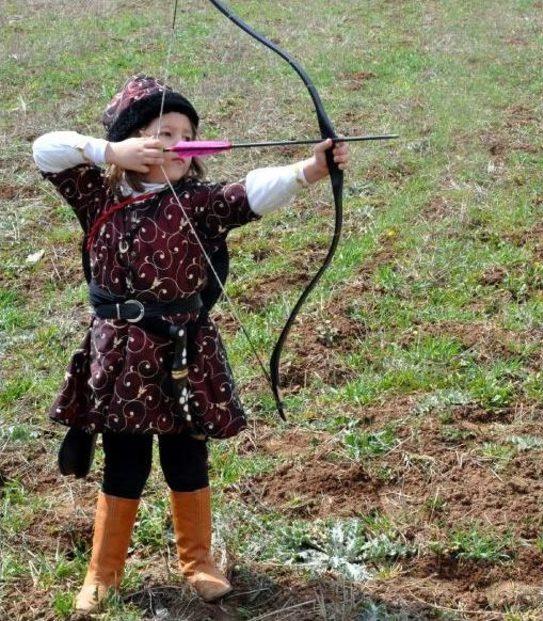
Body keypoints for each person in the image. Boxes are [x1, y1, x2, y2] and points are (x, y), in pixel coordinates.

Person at [32, 74, 349, 613]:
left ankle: (198, 563)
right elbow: (45, 149)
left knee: (186, 455)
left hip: (184, 349)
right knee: (124, 460)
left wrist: (311, 169)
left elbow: (252, 190)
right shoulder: (97, 194)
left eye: (188, 134)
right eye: (165, 133)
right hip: (121, 353)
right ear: (134, 143)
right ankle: (102, 573)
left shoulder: (201, 201)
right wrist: (107, 150)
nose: (181, 143)